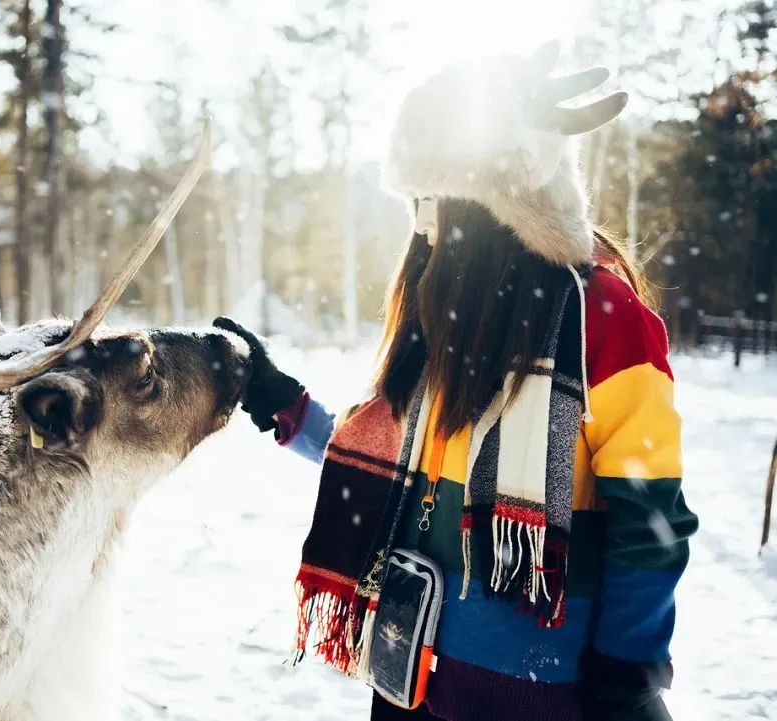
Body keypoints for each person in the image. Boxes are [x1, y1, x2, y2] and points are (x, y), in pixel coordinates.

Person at [214, 43, 698, 721]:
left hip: (542, 699)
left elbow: (648, 522)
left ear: (499, 201)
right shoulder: (441, 323)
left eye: (433, 200)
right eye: (414, 201)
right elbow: (395, 470)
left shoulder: (605, 321)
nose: (420, 226)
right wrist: (281, 403)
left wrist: (628, 674)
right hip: (408, 682)